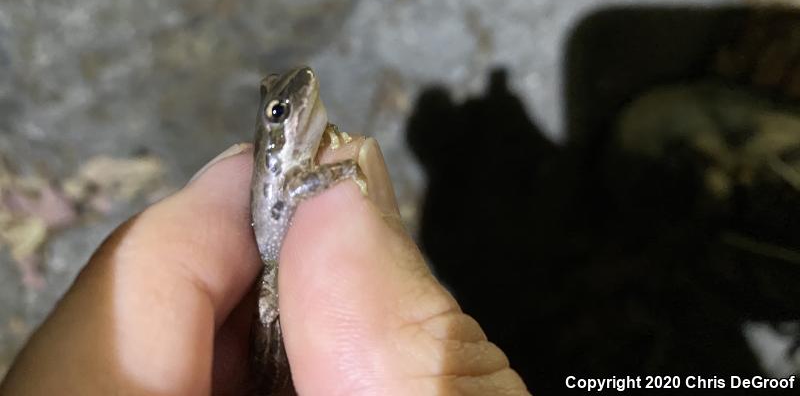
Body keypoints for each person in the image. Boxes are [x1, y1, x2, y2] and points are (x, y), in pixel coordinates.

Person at [0, 137, 530, 395]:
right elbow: (302, 186)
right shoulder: (283, 169)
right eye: (278, 114)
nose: (289, 110)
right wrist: (342, 173)